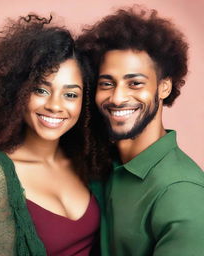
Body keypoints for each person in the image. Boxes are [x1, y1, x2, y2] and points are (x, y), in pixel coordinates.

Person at [0, 14, 101, 256]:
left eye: (70, 94)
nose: (55, 105)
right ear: (19, 91)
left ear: (85, 102)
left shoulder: (84, 160)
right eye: (41, 90)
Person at [76, 6, 204, 256]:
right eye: (107, 83)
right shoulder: (100, 160)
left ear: (164, 87)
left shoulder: (182, 192)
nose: (117, 97)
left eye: (135, 83)